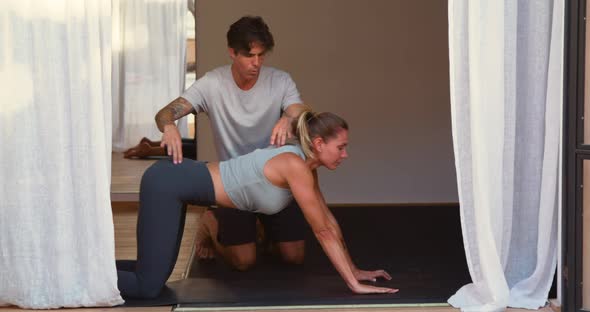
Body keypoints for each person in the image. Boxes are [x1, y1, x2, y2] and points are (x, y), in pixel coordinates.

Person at [116, 109, 399, 298]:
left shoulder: (305, 167)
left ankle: (90, 268)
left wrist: (355, 270)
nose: (345, 154)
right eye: (341, 147)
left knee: (153, 273)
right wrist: (353, 285)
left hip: (177, 184)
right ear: (318, 143)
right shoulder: (294, 165)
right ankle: (75, 276)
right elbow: (321, 231)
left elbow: (328, 222)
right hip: (168, 182)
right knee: (148, 286)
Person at [153, 16, 307, 270]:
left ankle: (263, 228)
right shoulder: (212, 83)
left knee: (294, 257)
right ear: (232, 52)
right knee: (244, 262)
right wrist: (169, 126)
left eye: (261, 55)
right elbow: (165, 113)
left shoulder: (280, 81)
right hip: (236, 184)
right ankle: (210, 222)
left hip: (274, 181)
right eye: (249, 56)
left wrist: (288, 117)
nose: (256, 63)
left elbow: (300, 110)